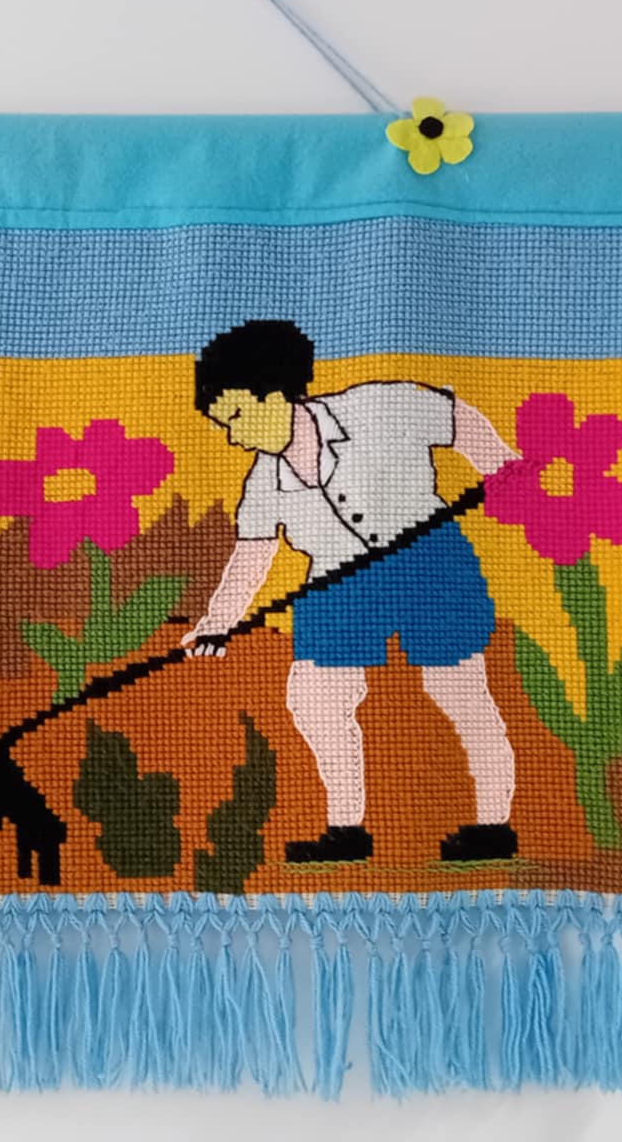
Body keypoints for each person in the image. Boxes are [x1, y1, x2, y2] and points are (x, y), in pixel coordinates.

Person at [181, 320, 521, 864]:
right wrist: (218, 623)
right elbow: (252, 555)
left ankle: (494, 826)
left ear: (276, 394)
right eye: (225, 425)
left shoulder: (376, 407)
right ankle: (346, 831)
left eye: (238, 416)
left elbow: (456, 420)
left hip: (429, 564)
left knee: (458, 691)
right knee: (315, 698)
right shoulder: (264, 481)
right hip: (338, 580)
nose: (234, 436)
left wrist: (502, 468)